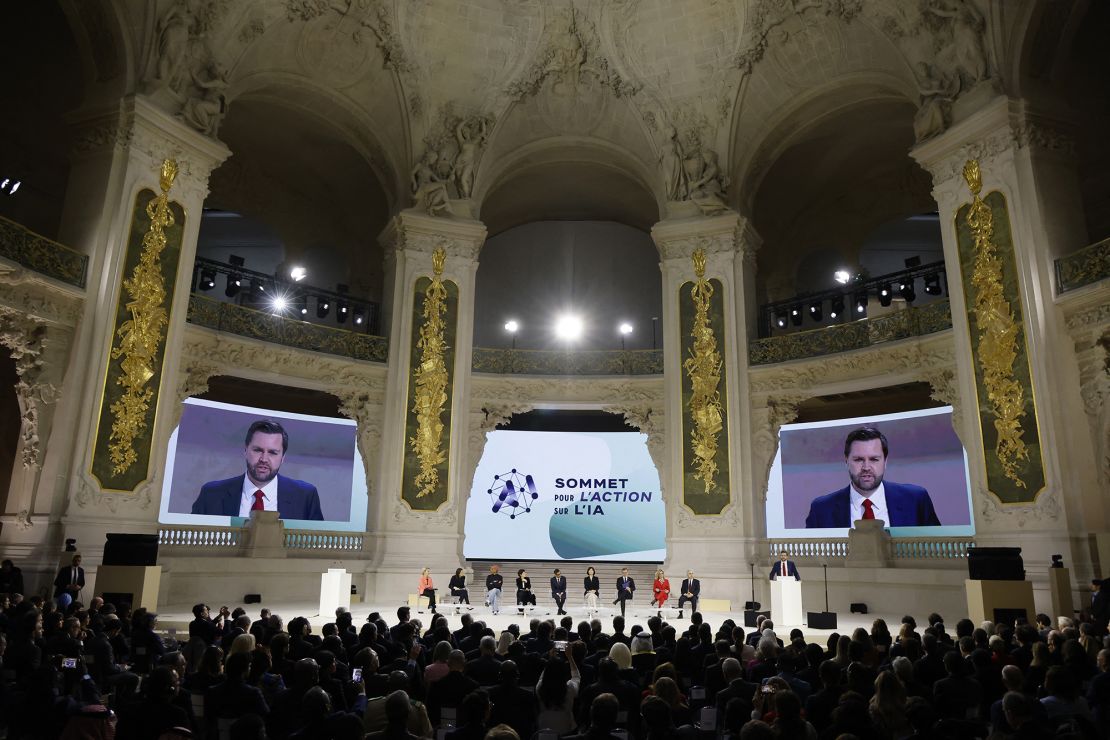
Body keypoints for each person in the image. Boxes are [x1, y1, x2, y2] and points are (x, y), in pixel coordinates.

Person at [805, 427, 941, 528]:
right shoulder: (821, 509)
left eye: (874, 459)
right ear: (846, 461)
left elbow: (938, 552)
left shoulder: (916, 500)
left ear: (885, 461)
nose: (866, 467)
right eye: (858, 459)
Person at [192, 419, 324, 520]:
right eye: (258, 450)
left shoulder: (305, 496)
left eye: (272, 452)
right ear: (245, 450)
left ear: (283, 457)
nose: (264, 459)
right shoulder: (211, 494)